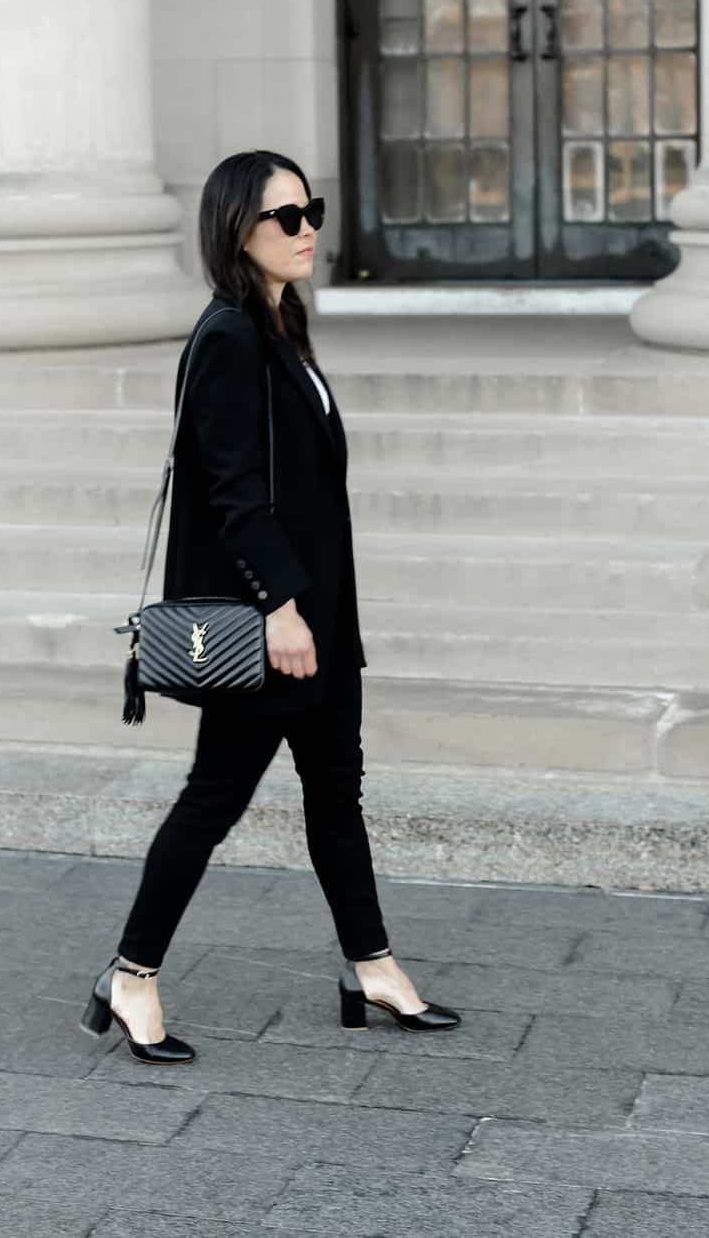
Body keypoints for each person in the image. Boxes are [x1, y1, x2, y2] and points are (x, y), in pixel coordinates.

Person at [80, 150, 460, 1063]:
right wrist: (281, 609)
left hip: (324, 624)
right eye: (284, 218)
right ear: (233, 231)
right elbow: (235, 492)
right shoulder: (228, 338)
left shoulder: (281, 327)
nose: (307, 231)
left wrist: (321, 617)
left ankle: (370, 963)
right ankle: (131, 974)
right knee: (214, 798)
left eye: (311, 210)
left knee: (338, 794)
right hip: (273, 629)